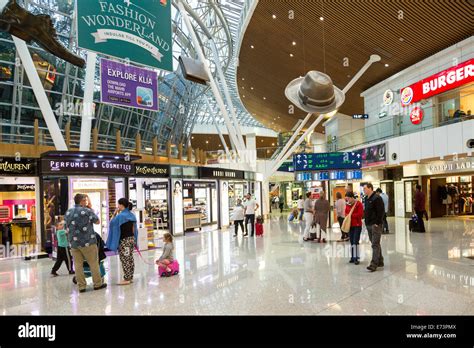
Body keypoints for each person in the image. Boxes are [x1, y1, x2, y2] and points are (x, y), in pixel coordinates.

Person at [65, 193, 106, 293]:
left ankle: (81, 286)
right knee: (93, 263)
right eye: (85, 200)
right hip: (88, 242)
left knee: (78, 265)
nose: (86, 202)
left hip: (74, 243)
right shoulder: (87, 211)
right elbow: (97, 221)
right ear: (82, 201)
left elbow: (66, 226)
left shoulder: (68, 212)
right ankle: (97, 284)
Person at [106, 198, 138, 285]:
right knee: (130, 258)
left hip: (124, 241)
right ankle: (130, 277)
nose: (117, 206)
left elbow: (111, 223)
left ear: (121, 205)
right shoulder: (131, 215)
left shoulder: (120, 216)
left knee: (125, 259)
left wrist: (115, 212)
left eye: (118, 204)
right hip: (131, 239)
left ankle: (127, 278)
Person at [363, 183, 385, 272]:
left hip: (375, 225)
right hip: (368, 224)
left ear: (370, 188)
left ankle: (374, 264)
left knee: (375, 244)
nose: (364, 190)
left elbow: (381, 211)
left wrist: (377, 223)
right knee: (375, 243)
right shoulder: (366, 199)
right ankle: (380, 260)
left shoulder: (377, 198)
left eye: (365, 188)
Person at [345, 192, 364, 265]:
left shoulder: (359, 204)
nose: (348, 200)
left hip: (357, 225)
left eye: (349, 198)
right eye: (347, 199)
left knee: (355, 241)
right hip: (350, 225)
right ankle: (353, 257)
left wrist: (350, 215)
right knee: (351, 242)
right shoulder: (347, 205)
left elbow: (360, 214)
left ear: (352, 197)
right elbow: (345, 213)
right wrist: (349, 215)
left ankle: (356, 258)